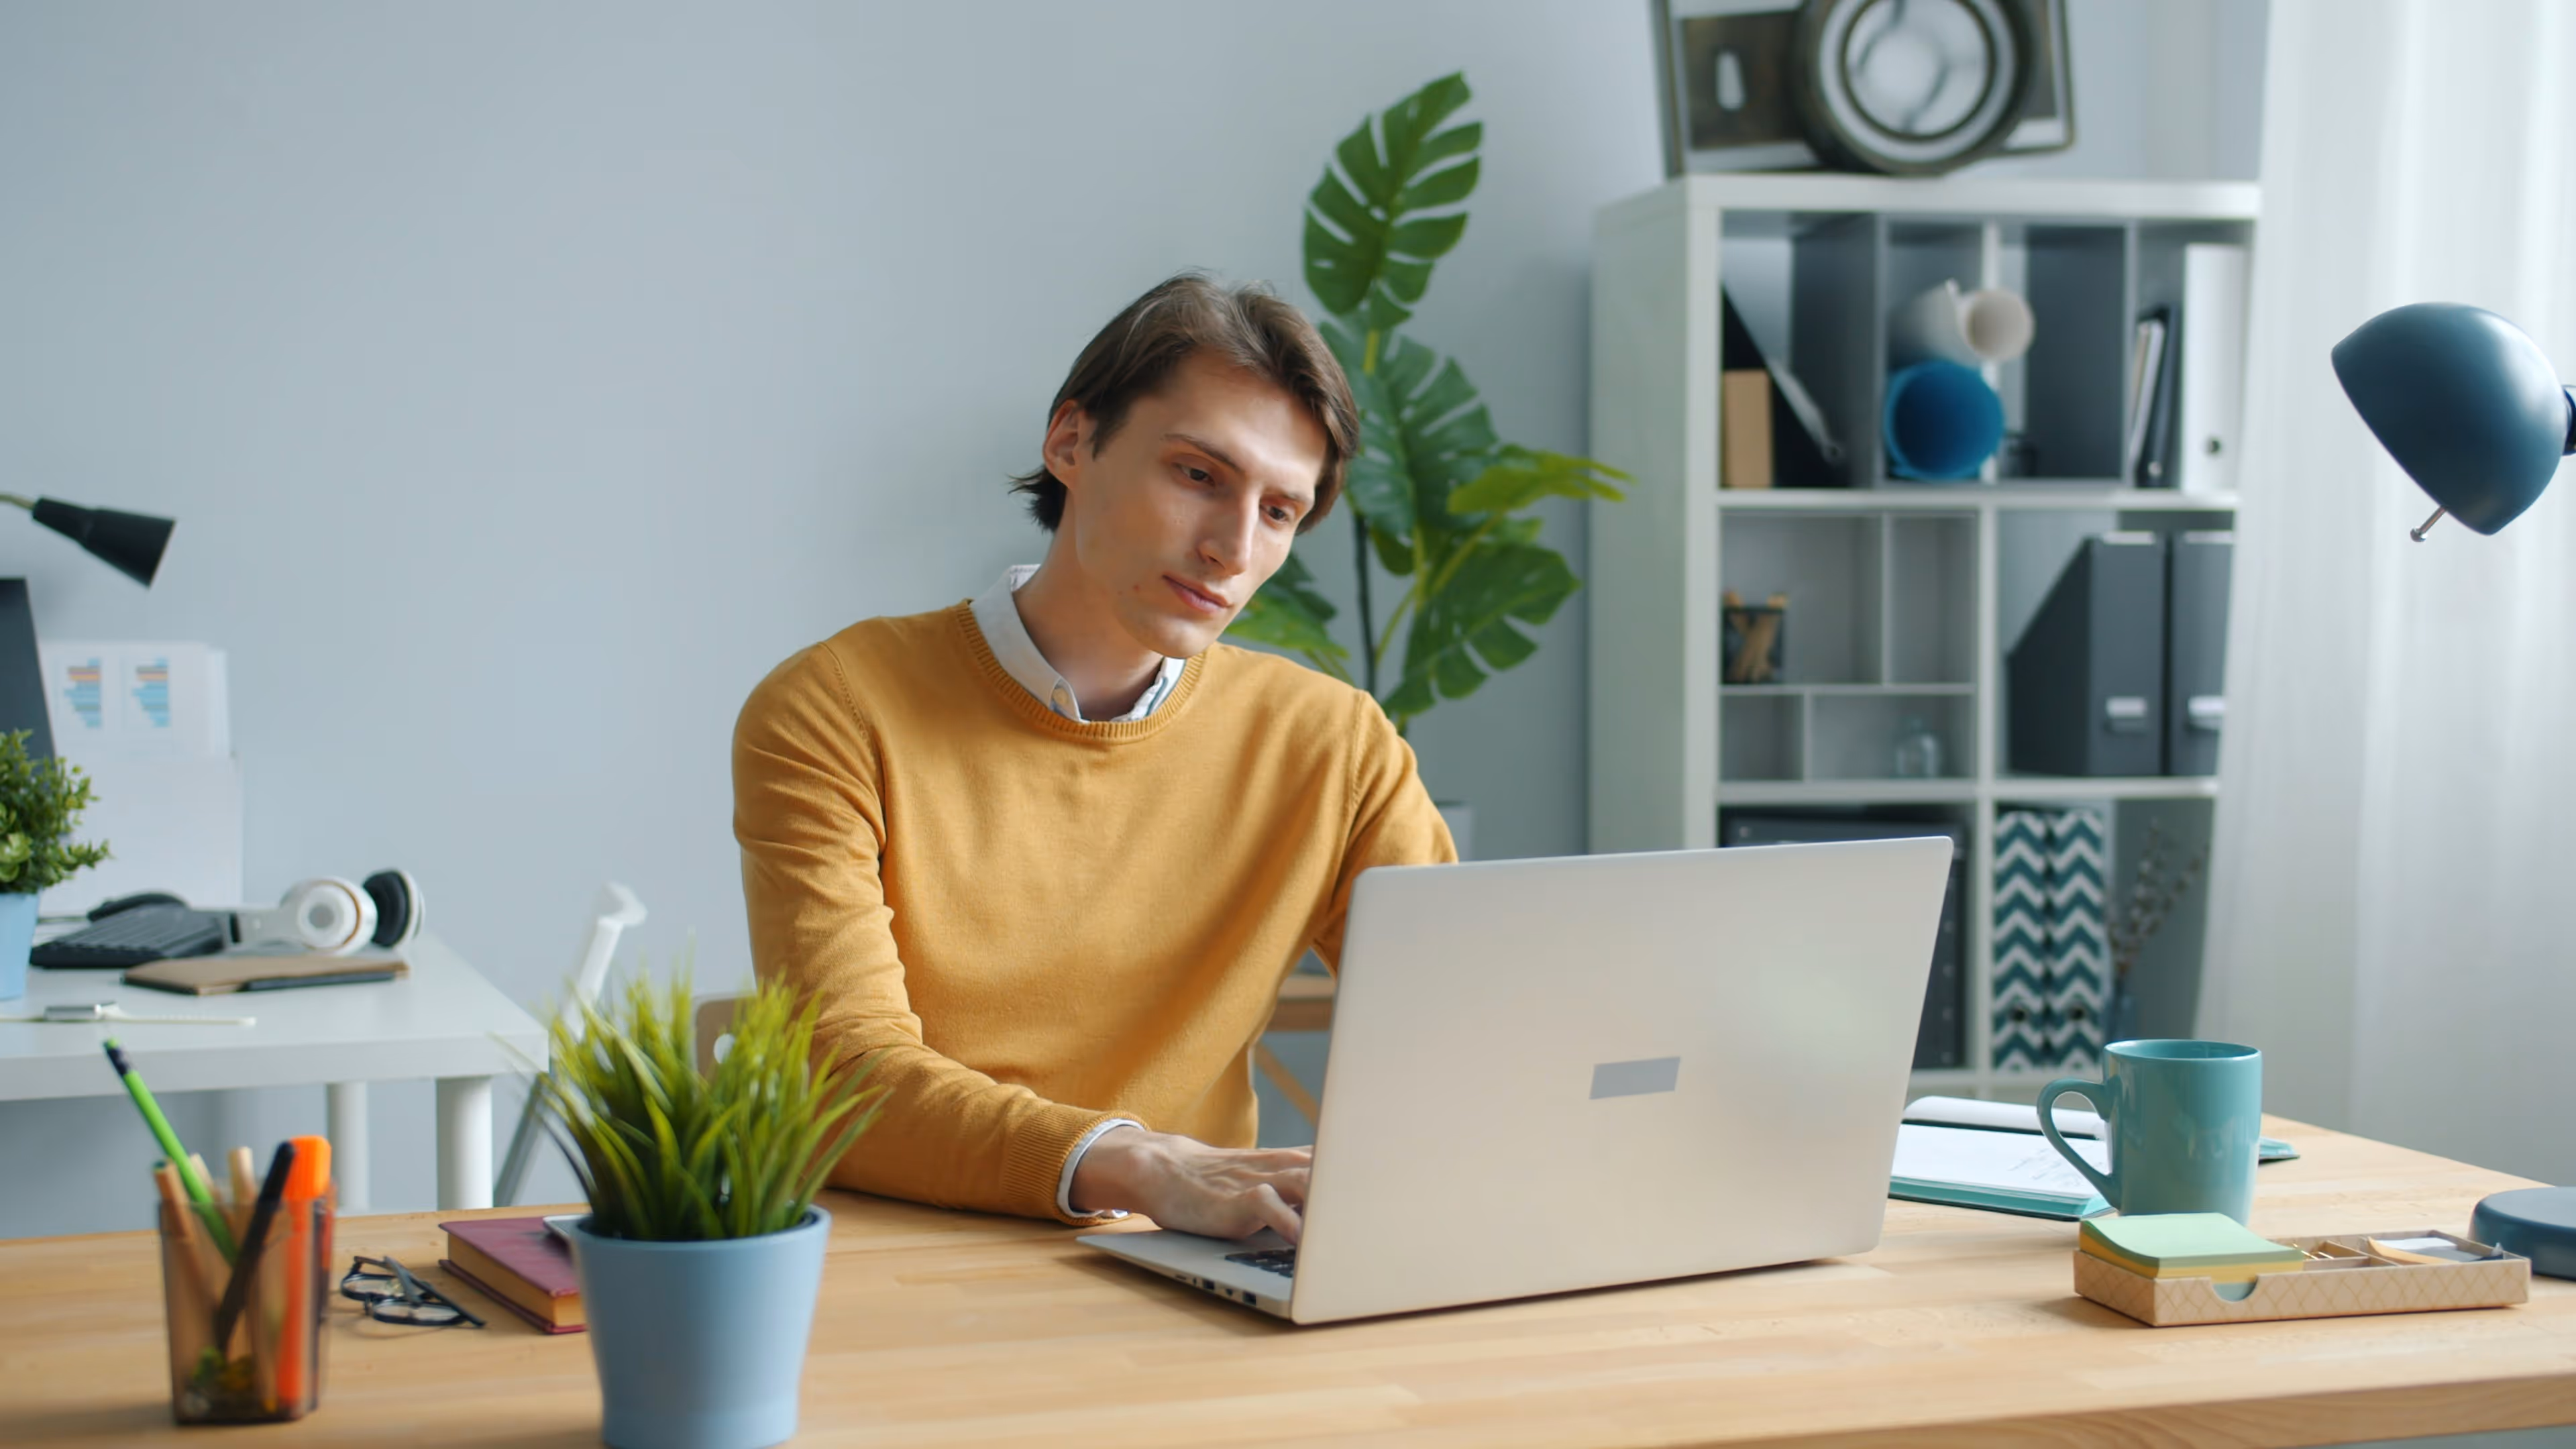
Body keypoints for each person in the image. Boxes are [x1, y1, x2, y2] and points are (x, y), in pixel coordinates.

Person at [733, 272, 1455, 1242]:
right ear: (1071, 442)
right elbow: (848, 1073)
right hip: (906, 1265)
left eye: (1280, 512)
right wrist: (1137, 1164)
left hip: (1195, 1270)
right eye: (1199, 475)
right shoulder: (838, 710)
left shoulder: (1335, 744)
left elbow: (1468, 1024)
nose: (1232, 549)